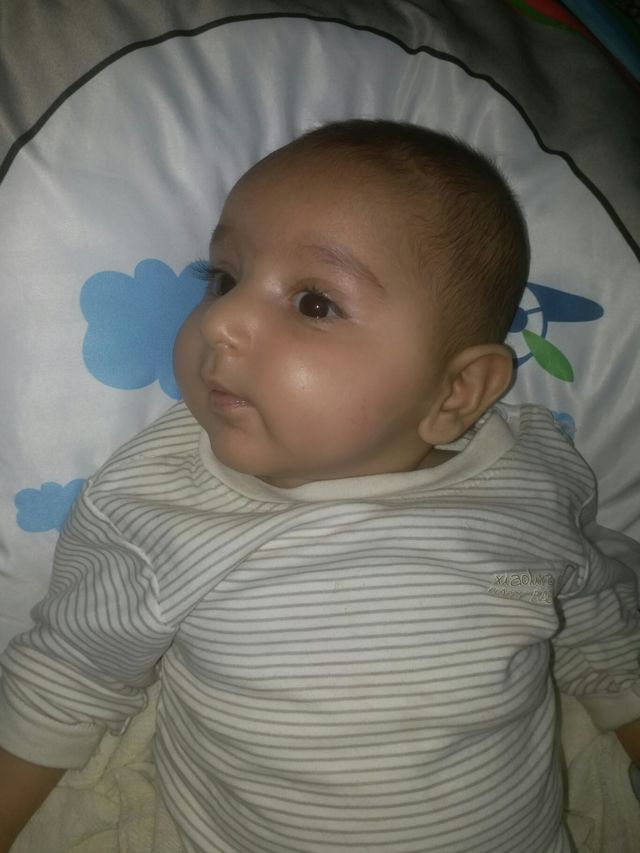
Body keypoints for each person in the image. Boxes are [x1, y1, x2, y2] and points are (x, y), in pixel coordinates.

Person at [0, 119, 639, 853]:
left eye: (314, 303)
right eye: (224, 278)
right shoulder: (163, 505)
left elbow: (601, 633)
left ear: (457, 390)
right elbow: (67, 676)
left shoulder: (525, 488)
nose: (221, 319)